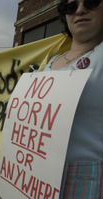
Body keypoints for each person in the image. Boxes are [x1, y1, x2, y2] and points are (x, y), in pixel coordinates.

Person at [42, 0, 103, 197]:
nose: (80, 10)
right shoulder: (51, 62)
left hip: (83, 183)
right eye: (71, 6)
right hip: (37, 177)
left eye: (91, 2)